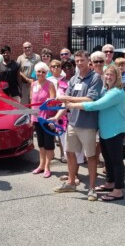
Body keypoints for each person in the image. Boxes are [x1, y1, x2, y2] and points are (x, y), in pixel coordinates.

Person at [66, 66, 125, 201]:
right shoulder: (106, 90)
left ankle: (118, 190)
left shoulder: (116, 92)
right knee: (108, 159)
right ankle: (110, 183)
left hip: (115, 131)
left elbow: (96, 105)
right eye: (107, 75)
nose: (108, 77)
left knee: (116, 161)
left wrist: (72, 105)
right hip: (105, 131)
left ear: (117, 77)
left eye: (112, 75)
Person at [52, 50, 102, 201]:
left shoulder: (95, 78)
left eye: (82, 60)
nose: (79, 63)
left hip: (88, 125)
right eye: (77, 60)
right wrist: (56, 117)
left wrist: (67, 98)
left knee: (91, 157)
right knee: (69, 152)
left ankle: (92, 188)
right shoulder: (73, 79)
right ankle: (71, 182)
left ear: (89, 62)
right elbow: (66, 104)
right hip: (72, 123)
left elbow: (89, 99)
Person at [30, 62, 57, 178]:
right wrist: (31, 118)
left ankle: (47, 166)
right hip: (36, 118)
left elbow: (53, 103)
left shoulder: (50, 84)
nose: (40, 74)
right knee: (40, 143)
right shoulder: (33, 84)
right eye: (39, 71)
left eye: (43, 72)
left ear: (46, 73)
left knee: (48, 144)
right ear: (36, 72)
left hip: (47, 118)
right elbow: (32, 102)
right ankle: (41, 165)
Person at [48, 59, 67, 163]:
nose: (56, 68)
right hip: (51, 108)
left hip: (61, 107)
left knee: (61, 130)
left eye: (58, 66)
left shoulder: (64, 79)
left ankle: (63, 153)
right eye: (54, 66)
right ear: (50, 68)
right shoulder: (48, 79)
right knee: (51, 130)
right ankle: (52, 152)